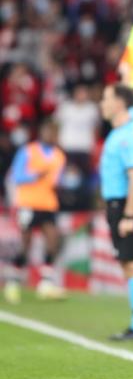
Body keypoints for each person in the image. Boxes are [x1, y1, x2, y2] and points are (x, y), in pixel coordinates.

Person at [99, 84, 133, 341]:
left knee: (132, 264)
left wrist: (129, 215)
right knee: (127, 263)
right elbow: (129, 91)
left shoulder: (129, 135)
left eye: (106, 98)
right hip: (116, 205)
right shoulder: (126, 128)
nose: (102, 103)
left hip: (123, 206)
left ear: (119, 103)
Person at [3, 120, 66, 303]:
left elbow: (57, 180)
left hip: (48, 204)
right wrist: (35, 175)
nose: (50, 136)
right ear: (42, 132)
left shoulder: (59, 156)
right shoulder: (28, 151)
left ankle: (45, 283)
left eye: (53, 133)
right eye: (48, 131)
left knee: (52, 239)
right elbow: (16, 175)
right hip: (28, 203)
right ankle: (13, 282)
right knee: (26, 242)